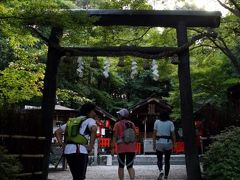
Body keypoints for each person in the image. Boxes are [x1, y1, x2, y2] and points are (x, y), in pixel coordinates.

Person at [55, 103, 97, 180]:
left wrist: (61, 144)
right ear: (89, 112)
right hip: (80, 151)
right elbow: (94, 129)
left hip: (68, 151)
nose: (95, 113)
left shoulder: (72, 121)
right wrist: (91, 146)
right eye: (94, 111)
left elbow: (57, 132)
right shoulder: (90, 120)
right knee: (80, 177)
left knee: (76, 176)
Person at [111, 108, 136, 180]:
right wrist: (134, 148)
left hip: (121, 147)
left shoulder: (117, 124)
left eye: (119, 115)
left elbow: (114, 136)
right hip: (131, 148)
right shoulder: (132, 124)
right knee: (130, 166)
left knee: (121, 166)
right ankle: (132, 178)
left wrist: (112, 148)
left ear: (121, 116)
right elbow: (134, 136)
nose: (118, 116)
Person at [153, 112, 176, 180]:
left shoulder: (156, 122)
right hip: (168, 143)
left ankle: (161, 170)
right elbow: (173, 135)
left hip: (159, 142)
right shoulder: (170, 123)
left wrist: (154, 144)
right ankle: (166, 177)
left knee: (159, 159)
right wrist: (174, 144)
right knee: (167, 161)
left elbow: (154, 134)